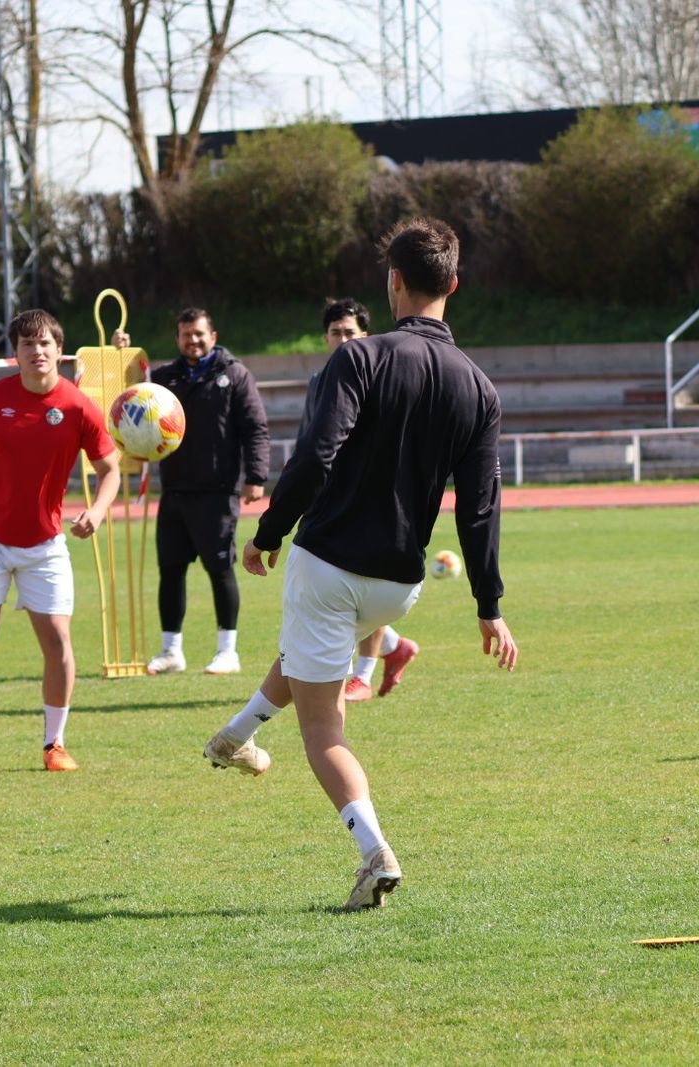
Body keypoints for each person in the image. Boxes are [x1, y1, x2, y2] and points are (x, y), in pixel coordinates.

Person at [201, 218, 518, 911]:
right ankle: (235, 735)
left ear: (394, 281)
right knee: (311, 654)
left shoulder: (361, 357)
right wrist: (488, 604)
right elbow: (481, 508)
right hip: (398, 587)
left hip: (331, 563)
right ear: (455, 285)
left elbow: (316, 455)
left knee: (323, 728)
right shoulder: (480, 388)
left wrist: (268, 531)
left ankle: (374, 849)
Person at [0, 309, 121, 776]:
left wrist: (95, 512)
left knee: (57, 642)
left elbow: (111, 469)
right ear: (15, 353)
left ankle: (55, 743)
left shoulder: (77, 406)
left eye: (45, 343)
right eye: (27, 344)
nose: (37, 351)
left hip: (46, 543)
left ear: (59, 349)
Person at [140, 308, 269, 677]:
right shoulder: (164, 378)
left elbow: (255, 427)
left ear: (212, 335)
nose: (192, 341)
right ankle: (170, 651)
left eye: (198, 334)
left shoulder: (235, 375)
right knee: (170, 570)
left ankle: (227, 650)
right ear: (177, 339)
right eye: (185, 335)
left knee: (220, 569)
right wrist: (123, 353)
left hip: (218, 491)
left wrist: (256, 475)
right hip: (175, 490)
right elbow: (132, 399)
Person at [315, 298, 418, 703]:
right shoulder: (320, 382)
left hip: (372, 498)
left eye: (350, 333)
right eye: (336, 333)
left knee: (363, 580)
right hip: (332, 498)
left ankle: (362, 674)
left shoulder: (378, 381)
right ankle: (395, 647)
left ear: (366, 337)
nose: (343, 340)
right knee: (336, 588)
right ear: (325, 338)